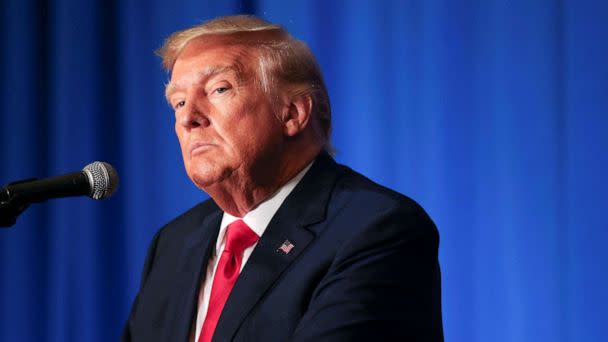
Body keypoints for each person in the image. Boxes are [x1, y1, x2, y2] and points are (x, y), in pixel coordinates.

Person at [122, 15, 443, 342]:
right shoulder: (174, 243)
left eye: (219, 89)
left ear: (292, 113)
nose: (188, 117)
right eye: (178, 102)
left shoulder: (378, 229)